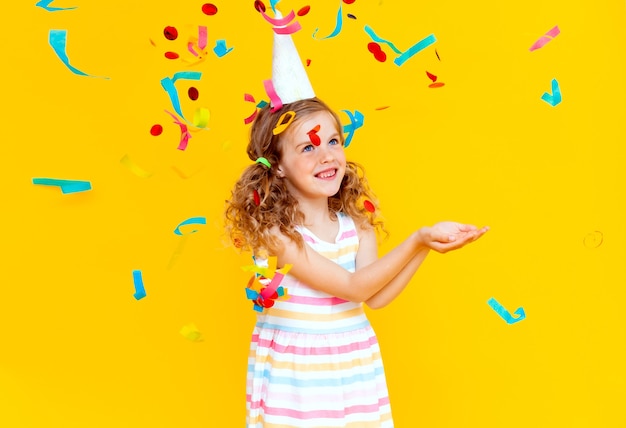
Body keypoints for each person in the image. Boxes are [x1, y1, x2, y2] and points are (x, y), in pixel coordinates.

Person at [224, 6, 488, 426]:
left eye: (333, 140)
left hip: (352, 366)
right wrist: (418, 238)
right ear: (277, 163)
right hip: (301, 378)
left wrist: (427, 248)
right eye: (308, 147)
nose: (327, 154)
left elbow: (377, 295)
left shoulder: (357, 224)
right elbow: (352, 287)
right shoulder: (279, 234)